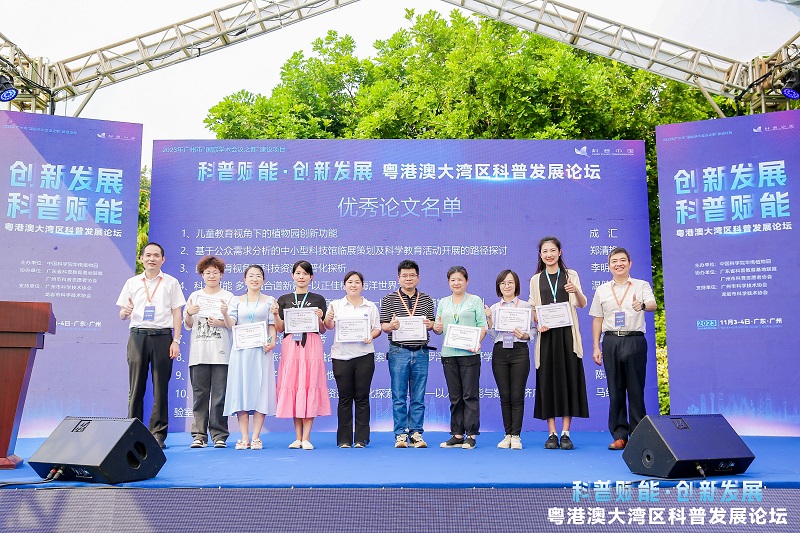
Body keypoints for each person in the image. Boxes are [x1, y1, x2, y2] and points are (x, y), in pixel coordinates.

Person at [116, 242, 186, 449]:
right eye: (148, 255)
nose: (152, 259)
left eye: (156, 255)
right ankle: (133, 432)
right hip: (138, 336)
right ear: (141, 259)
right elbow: (122, 314)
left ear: (163, 259)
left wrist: (176, 341)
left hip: (162, 337)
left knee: (160, 387)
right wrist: (125, 312)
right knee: (136, 386)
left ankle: (158, 434)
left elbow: (177, 314)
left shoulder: (171, 282)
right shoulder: (132, 283)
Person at [589, 247, 657, 451]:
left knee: (636, 390)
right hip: (611, 341)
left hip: (634, 340)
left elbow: (653, 304)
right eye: (614, 261)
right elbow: (597, 319)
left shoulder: (641, 285)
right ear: (609, 266)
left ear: (630, 263)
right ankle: (619, 435)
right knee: (615, 390)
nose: (618, 264)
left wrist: (642, 305)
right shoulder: (602, 290)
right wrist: (596, 346)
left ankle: (638, 435)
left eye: (622, 260)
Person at [528, 236, 589, 451]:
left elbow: (582, 304)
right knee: (548, 382)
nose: (549, 255)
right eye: (545, 251)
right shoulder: (536, 279)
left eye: (552, 250)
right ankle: (551, 433)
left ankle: (565, 433)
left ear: (560, 252)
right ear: (540, 255)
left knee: (568, 381)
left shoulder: (571, 275)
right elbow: (533, 308)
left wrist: (576, 291)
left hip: (567, 336)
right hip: (547, 337)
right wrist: (538, 321)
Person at [272, 260, 330, 450]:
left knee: (310, 384)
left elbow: (323, 329)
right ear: (292, 276)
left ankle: (307, 437)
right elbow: (280, 328)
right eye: (298, 273)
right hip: (291, 345)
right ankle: (297, 437)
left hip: (312, 344)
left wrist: (320, 318)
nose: (301, 277)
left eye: (305, 273)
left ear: (311, 277)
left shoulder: (318, 299)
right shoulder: (284, 299)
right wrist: (275, 315)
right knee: (295, 386)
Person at [380, 260, 435, 449]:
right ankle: (400, 434)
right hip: (398, 351)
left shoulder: (426, 299)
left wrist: (431, 325)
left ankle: (416, 433)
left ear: (418, 278)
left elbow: (432, 325)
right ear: (399, 278)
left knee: (418, 396)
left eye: (412, 275)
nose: (408, 278)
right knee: (399, 396)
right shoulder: (389, 299)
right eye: (405, 275)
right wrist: (391, 326)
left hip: (421, 352)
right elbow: (383, 326)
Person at [323, 271, 381, 448]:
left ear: (362, 286)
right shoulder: (336, 305)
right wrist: (328, 319)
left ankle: (361, 438)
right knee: (345, 397)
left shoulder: (370, 306)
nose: (353, 285)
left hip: (364, 356)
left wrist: (370, 336)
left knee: (362, 397)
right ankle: (344, 439)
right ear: (344, 285)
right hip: (341, 356)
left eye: (357, 282)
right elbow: (328, 326)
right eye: (350, 282)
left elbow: (377, 328)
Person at [223, 264, 278, 450]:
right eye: (251, 276)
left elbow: (272, 326)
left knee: (261, 391)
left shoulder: (270, 301)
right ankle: (244, 437)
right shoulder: (236, 301)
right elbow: (231, 325)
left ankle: (256, 437)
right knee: (242, 391)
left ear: (263, 280)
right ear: (244, 279)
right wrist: (224, 313)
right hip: (241, 352)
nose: (255, 279)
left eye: (258, 276)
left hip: (262, 352)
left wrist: (272, 342)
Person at [433, 266, 487, 450]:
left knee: (469, 396)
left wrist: (477, 341)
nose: (456, 283)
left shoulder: (475, 300)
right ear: (448, 282)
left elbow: (482, 325)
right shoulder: (443, 302)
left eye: (460, 279)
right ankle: (457, 434)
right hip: (449, 354)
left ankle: (471, 434)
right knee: (455, 397)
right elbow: (438, 326)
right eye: (452, 280)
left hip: (470, 354)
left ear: (467, 281)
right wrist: (437, 328)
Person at [184, 256, 234, 449]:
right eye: (207, 273)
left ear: (221, 275)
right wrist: (189, 312)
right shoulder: (195, 296)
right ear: (202, 275)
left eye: (215, 272)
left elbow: (232, 325)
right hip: (199, 353)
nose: (211, 276)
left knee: (220, 396)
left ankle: (219, 435)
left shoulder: (228, 297)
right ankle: (199, 435)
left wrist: (221, 319)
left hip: (221, 353)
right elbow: (188, 324)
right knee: (200, 395)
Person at [484, 270, 533, 450]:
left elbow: (533, 331)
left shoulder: (526, 306)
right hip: (500, 352)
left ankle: (516, 436)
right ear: (499, 286)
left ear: (516, 285)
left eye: (510, 282)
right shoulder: (494, 308)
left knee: (517, 395)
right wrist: (489, 319)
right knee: (505, 395)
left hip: (519, 351)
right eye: (503, 283)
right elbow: (492, 335)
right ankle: (507, 435)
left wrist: (525, 335)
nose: (507, 286)